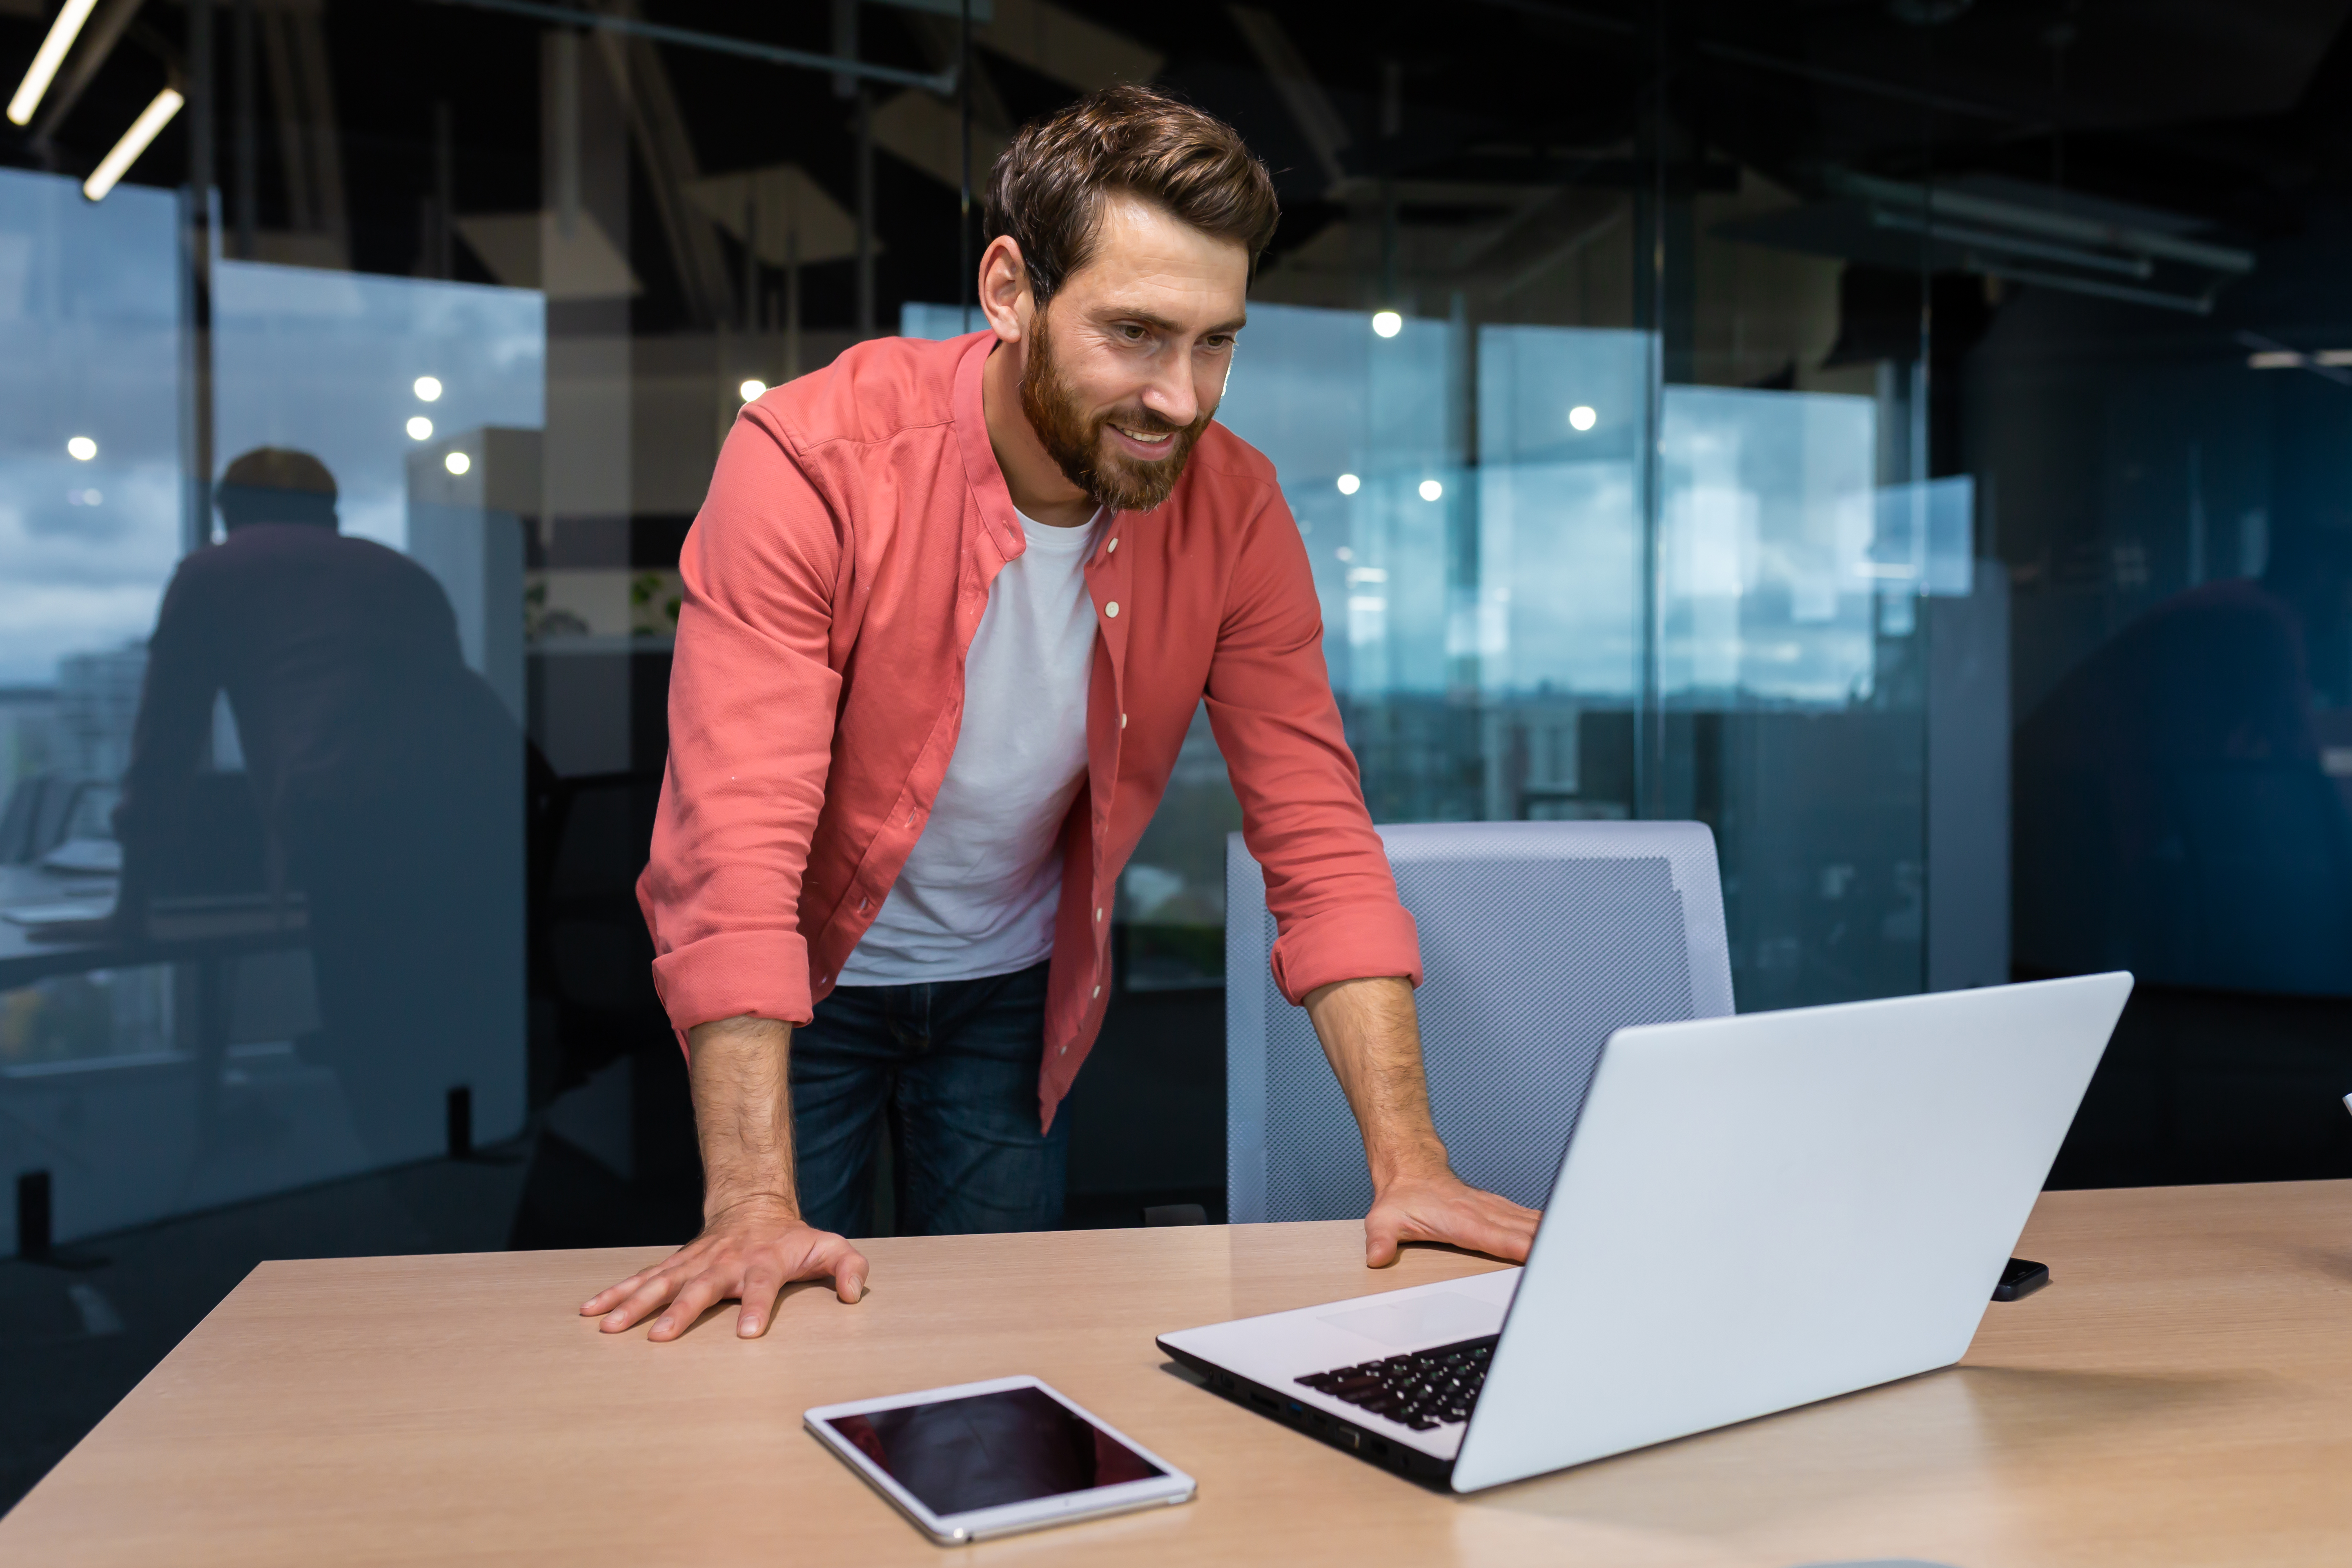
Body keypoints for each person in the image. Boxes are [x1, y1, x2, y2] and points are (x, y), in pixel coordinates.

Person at [586, 86, 1539, 1344]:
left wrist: (1412, 1161)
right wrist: (753, 1199)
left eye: (1216, 342)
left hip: (1011, 989)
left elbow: (1317, 838)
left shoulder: (1235, 508)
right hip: (796, 985)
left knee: (993, 1361)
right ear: (1008, 291)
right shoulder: (814, 458)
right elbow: (735, 841)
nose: (1183, 399)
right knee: (761, 1324)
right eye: (1136, 334)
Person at [115, 446, 518, 1165]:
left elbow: (165, 744)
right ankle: (458, 1208)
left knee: (374, 1047)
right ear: (330, 513)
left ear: (226, 514)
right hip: (485, 817)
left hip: (354, 823)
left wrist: (131, 902)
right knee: (446, 1036)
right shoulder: (400, 572)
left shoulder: (211, 574)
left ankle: (411, 1213)